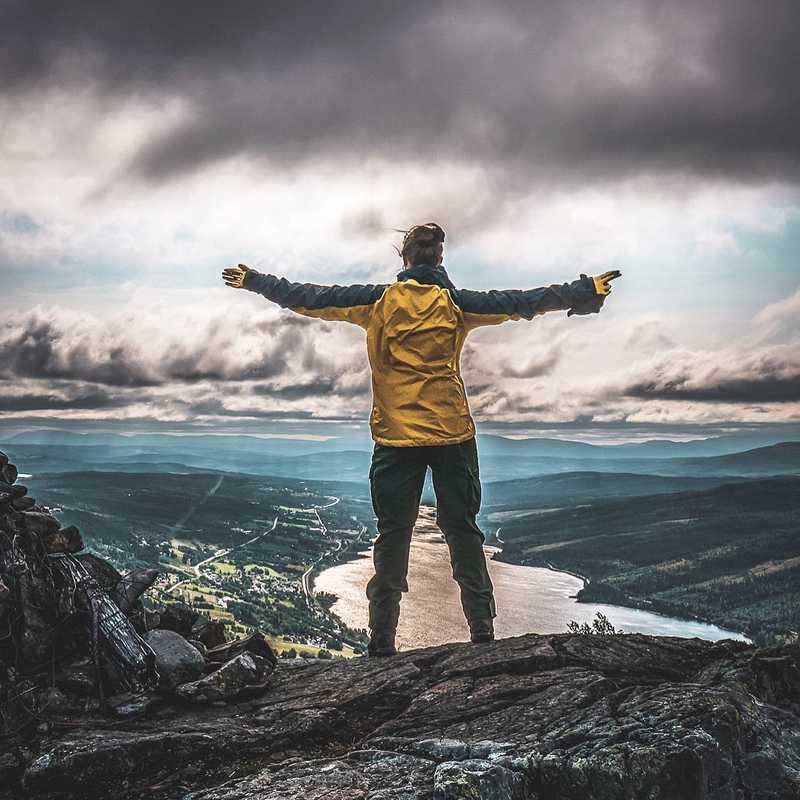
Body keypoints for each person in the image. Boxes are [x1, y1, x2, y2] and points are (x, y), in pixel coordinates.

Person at [223, 223, 620, 656]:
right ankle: (482, 629)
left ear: (405, 260)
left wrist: (255, 281)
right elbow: (524, 302)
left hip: (395, 441)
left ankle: (381, 640)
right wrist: (585, 290)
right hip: (453, 435)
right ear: (440, 260)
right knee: (463, 530)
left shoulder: (376, 302)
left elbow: (310, 297)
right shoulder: (456, 304)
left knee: (393, 534)